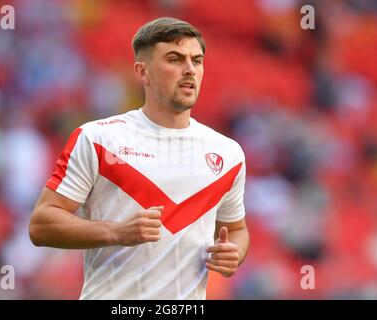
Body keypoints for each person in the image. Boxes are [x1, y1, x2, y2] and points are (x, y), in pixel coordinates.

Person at [29, 17, 249, 300]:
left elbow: (237, 229)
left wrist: (235, 253)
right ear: (142, 72)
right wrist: (116, 232)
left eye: (197, 60)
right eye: (175, 59)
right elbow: (41, 225)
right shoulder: (97, 138)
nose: (190, 70)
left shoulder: (228, 154)